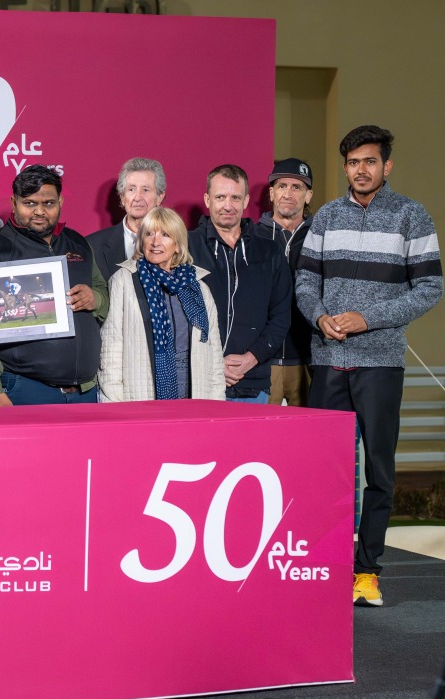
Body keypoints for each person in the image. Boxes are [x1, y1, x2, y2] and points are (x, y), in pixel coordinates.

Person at [296, 125, 443, 606]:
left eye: (370, 161)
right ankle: (324, 565)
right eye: (353, 162)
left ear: (387, 166)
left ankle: (367, 572)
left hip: (380, 363)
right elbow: (305, 281)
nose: (361, 169)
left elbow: (429, 288)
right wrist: (319, 316)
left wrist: (368, 320)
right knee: (324, 469)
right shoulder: (327, 218)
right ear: (345, 167)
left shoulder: (410, 216)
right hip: (330, 359)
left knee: (378, 471)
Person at [0, 165, 108, 406]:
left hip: (85, 391)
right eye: (30, 203)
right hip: (23, 388)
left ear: (61, 201)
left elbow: (103, 294)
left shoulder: (79, 243)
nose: (40, 211)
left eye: (49, 203)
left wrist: (95, 299)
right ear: (13, 202)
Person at [188, 164, 291, 403]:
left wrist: (251, 358)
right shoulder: (185, 247)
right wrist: (213, 362)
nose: (227, 205)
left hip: (253, 384)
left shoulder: (271, 252)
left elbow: (281, 317)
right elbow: (178, 318)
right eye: (220, 197)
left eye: (235, 197)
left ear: (246, 201)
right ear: (207, 199)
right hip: (200, 382)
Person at [99, 207, 224, 402]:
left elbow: (214, 352)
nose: (155, 242)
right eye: (149, 234)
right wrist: (114, 402)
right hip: (142, 396)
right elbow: (111, 348)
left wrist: (216, 402)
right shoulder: (123, 281)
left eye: (165, 235)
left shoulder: (198, 287)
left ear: (178, 244)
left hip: (196, 395)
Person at [257, 158, 315, 406]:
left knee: (306, 441)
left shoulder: (321, 238)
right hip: (262, 361)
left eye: (296, 187)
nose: (288, 194)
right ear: (271, 192)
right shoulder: (251, 235)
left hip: (308, 359)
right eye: (282, 186)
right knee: (260, 439)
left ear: (308, 195)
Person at [88, 158, 167, 283]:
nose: (137, 197)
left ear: (159, 197)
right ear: (122, 198)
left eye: (145, 190)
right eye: (131, 189)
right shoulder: (92, 246)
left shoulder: (178, 243)